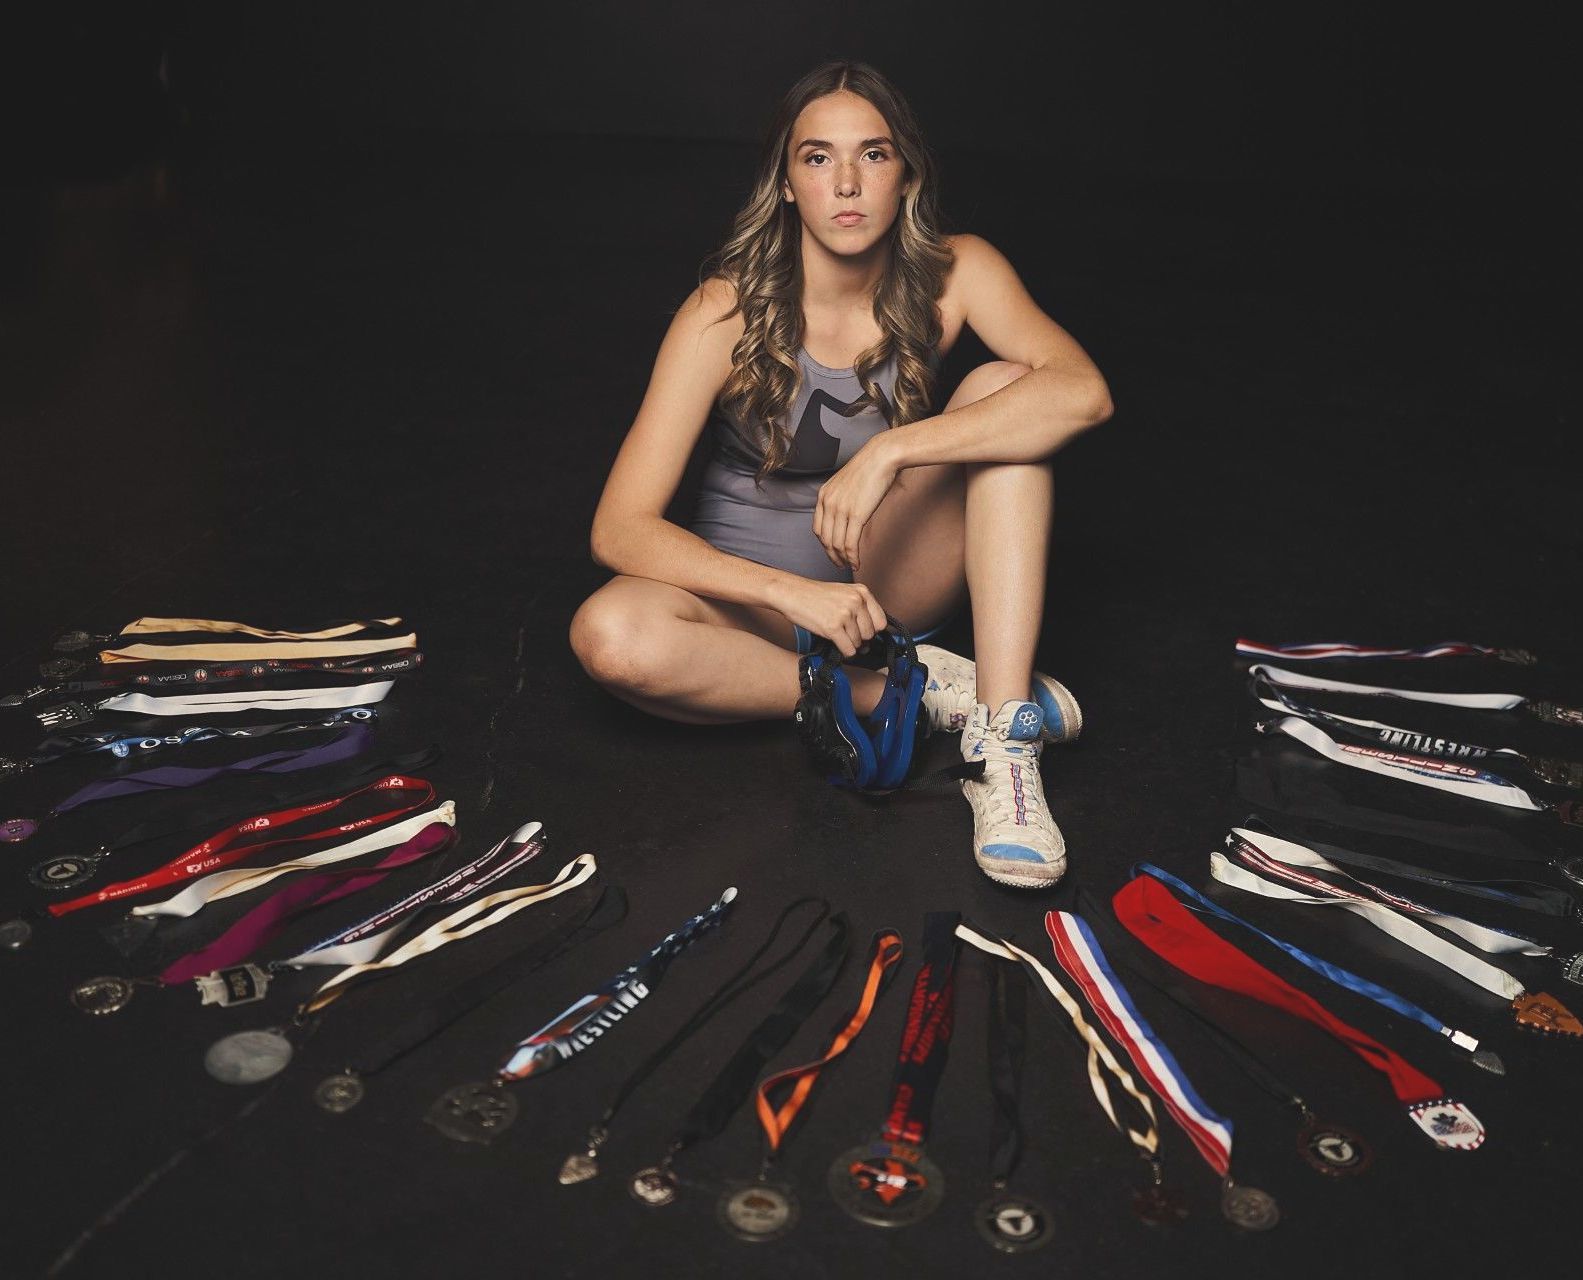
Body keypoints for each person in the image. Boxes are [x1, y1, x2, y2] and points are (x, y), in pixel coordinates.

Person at [570, 60, 1113, 888]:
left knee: (1012, 391)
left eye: (874, 154)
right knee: (610, 636)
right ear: (785, 184)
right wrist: (787, 592)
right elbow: (619, 527)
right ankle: (901, 690)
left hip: (889, 573)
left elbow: (1082, 393)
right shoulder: (723, 309)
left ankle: (1003, 739)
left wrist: (892, 449)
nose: (847, 182)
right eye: (818, 158)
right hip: (747, 614)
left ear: (907, 176)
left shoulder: (956, 269)